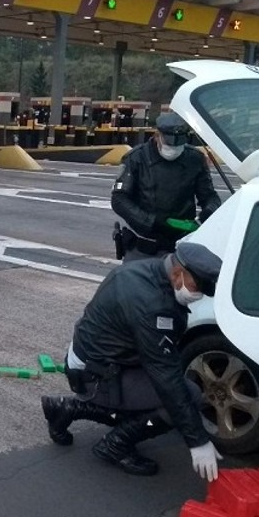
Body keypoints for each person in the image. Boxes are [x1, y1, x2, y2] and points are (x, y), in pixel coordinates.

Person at [41, 241, 223, 481]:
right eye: (196, 287)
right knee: (185, 395)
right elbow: (165, 377)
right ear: (178, 273)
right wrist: (197, 440)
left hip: (92, 361)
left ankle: (67, 408)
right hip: (95, 374)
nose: (197, 295)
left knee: (160, 398)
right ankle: (115, 445)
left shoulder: (147, 270)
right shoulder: (152, 305)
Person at [112, 112, 221, 261]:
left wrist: (206, 214)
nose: (174, 148)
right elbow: (119, 199)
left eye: (179, 143)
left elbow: (209, 196)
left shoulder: (194, 159)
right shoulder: (137, 158)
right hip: (144, 244)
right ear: (158, 136)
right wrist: (150, 221)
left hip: (181, 243)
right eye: (169, 142)